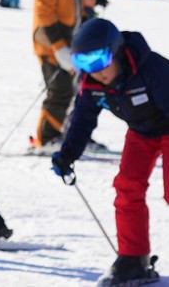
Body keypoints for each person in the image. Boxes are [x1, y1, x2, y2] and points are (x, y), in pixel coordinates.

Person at [50, 18, 167, 287]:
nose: (95, 71)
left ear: (115, 52)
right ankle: (133, 260)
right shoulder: (93, 83)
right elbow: (82, 120)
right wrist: (67, 153)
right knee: (127, 188)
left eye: (99, 61)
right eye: (85, 64)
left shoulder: (152, 69)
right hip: (141, 131)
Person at [30, 0, 97, 151]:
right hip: (51, 47)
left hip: (67, 47)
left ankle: (67, 133)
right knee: (59, 91)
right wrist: (59, 47)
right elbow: (45, 15)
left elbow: (75, 10)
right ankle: (46, 138)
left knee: (73, 92)